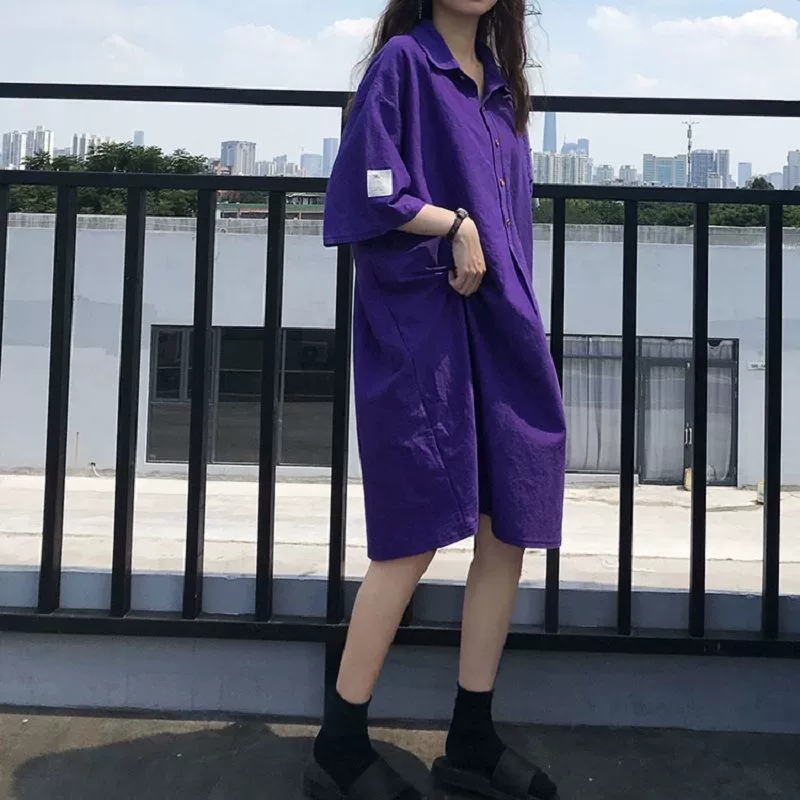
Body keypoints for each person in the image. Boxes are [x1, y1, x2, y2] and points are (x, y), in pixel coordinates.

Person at [304, 1, 566, 798]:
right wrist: (452, 223)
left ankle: (471, 738)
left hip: (503, 325)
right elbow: (365, 188)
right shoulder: (405, 66)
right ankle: (340, 743)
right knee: (413, 533)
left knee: (507, 524)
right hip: (428, 328)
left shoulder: (501, 87)